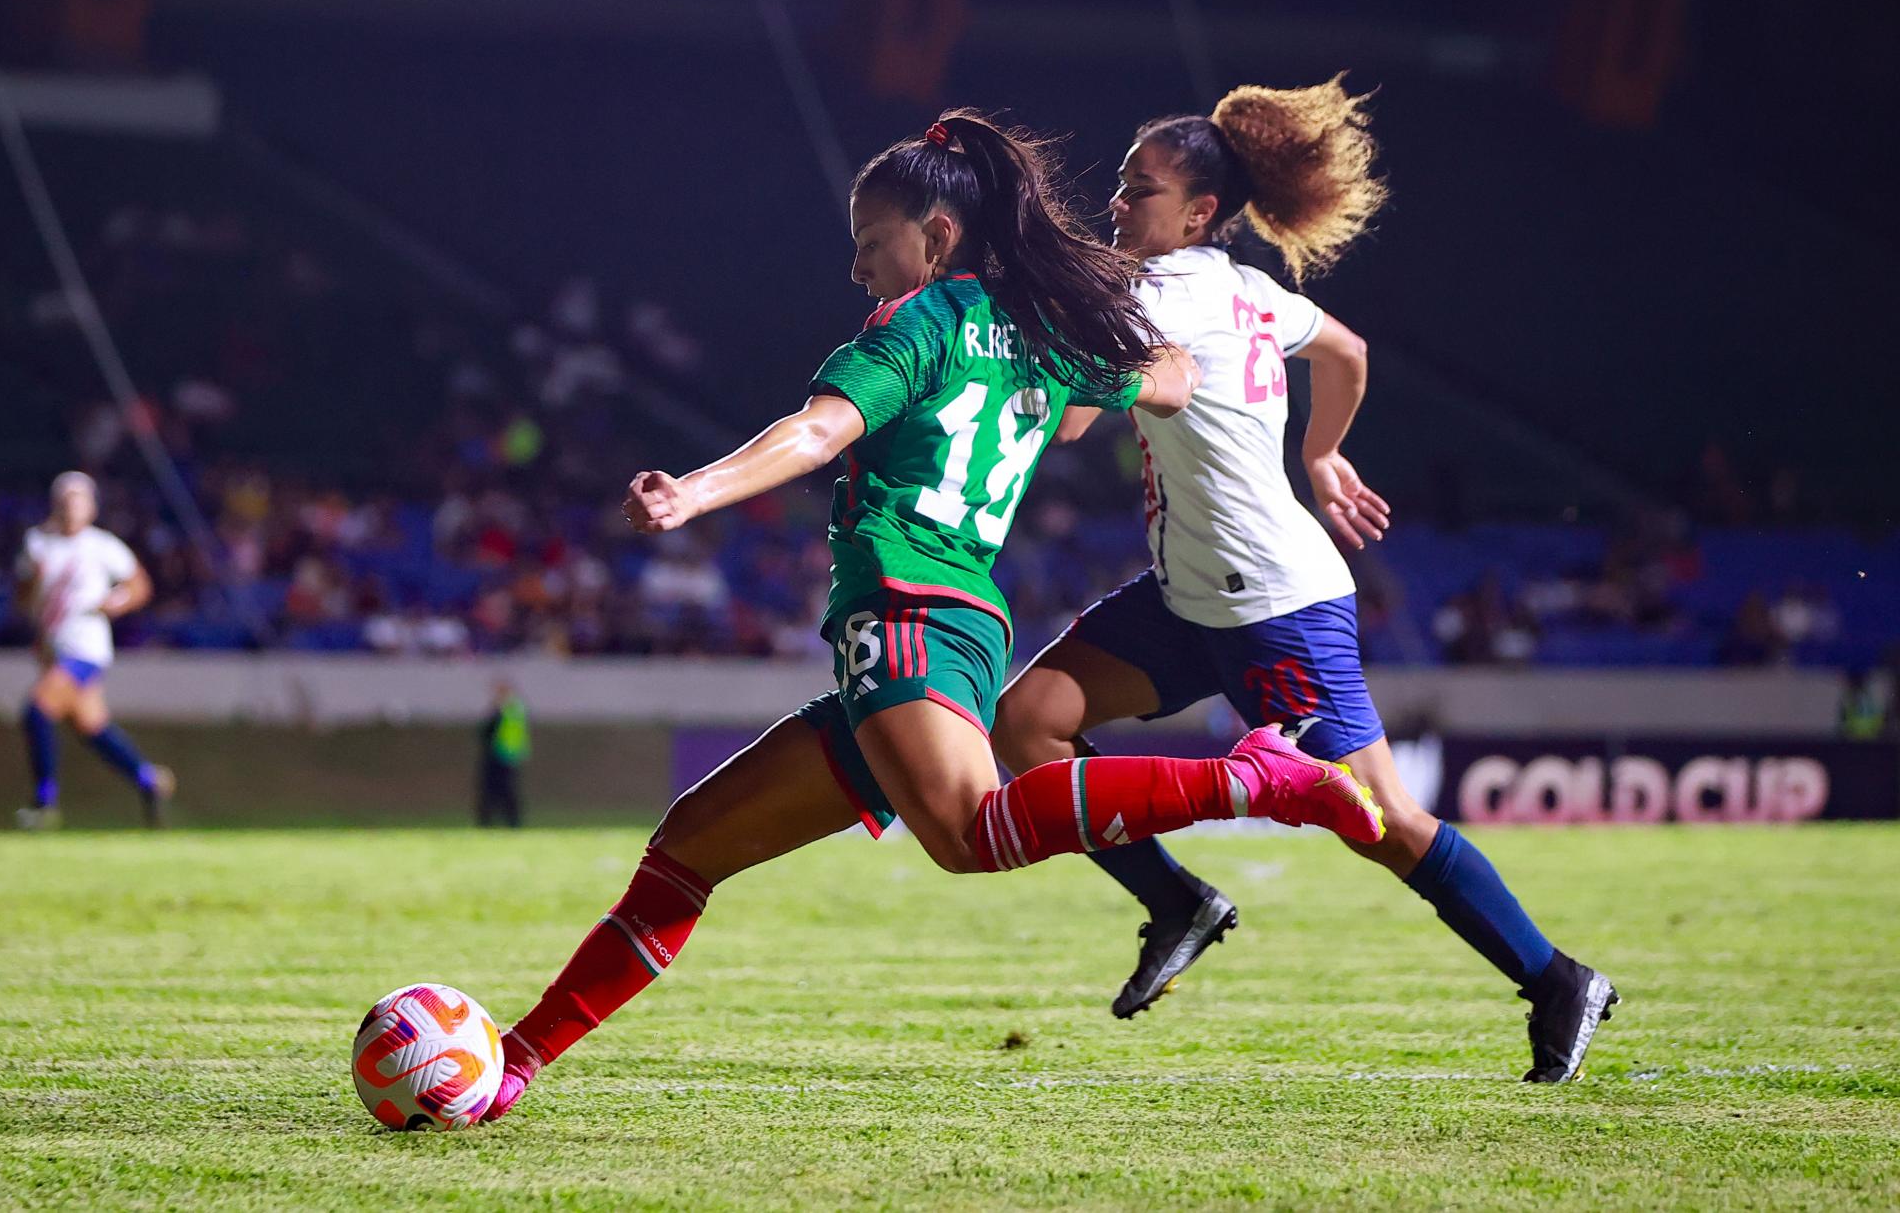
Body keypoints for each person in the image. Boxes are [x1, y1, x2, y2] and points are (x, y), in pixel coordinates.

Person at [481, 111, 1387, 1121]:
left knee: (966, 835)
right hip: (950, 622)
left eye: (873, 242)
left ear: (937, 236)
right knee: (688, 848)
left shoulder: (917, 325)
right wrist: (1158, 352)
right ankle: (507, 1067)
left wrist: (692, 492)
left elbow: (818, 429)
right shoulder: (1037, 334)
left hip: (907, 611)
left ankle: (1250, 778)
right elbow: (1169, 380)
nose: (860, 266)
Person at [992, 78, 1617, 1083]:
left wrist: (1032, 326)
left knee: (1375, 821)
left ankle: (1552, 978)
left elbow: (1068, 421)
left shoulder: (1158, 296)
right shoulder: (1245, 290)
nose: (1117, 202)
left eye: (1136, 188)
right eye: (1119, 182)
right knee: (1027, 724)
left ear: (1198, 211)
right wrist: (1319, 456)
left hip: (1272, 606)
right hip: (1185, 595)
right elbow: (1346, 349)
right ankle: (1176, 904)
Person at [12, 472, 175, 828]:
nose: (72, 506)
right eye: (66, 499)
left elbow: (139, 586)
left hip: (86, 650)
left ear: (92, 506)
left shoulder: (102, 545)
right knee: (92, 728)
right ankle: (149, 780)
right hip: (54, 649)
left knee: (37, 711)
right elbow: (23, 599)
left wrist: (115, 602)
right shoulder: (38, 543)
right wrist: (33, 587)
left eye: (79, 499)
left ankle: (45, 804)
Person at [478, 679, 531, 827]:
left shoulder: (509, 708)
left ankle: (506, 822)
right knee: (500, 791)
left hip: (503, 754)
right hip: (505, 754)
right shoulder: (513, 707)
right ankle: (502, 822)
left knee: (502, 791)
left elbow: (488, 731)